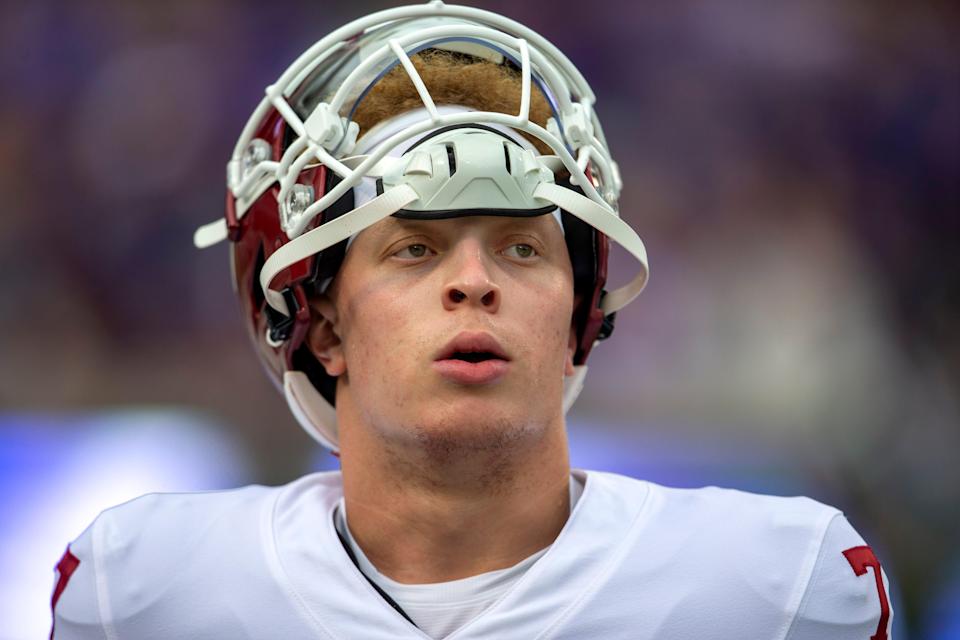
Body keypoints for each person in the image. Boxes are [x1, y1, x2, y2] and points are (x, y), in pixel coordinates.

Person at [50, 3, 893, 638]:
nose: (474, 284)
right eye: (414, 250)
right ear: (323, 326)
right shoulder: (144, 592)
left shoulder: (776, 589)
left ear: (578, 315)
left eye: (523, 249)